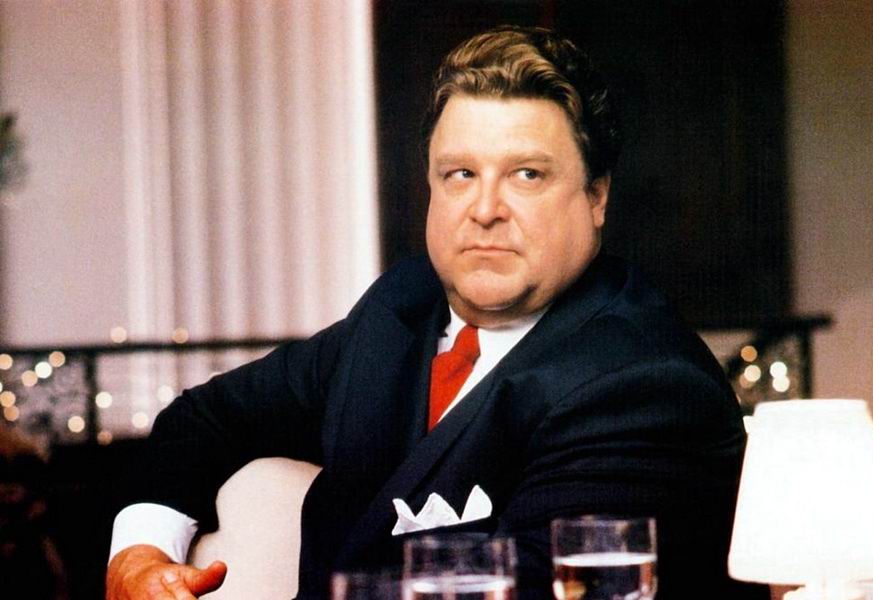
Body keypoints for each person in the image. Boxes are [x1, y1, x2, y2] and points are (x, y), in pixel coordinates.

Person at [106, 26, 766, 600]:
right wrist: (139, 552)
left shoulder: (643, 385)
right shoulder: (401, 310)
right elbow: (206, 418)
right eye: (460, 175)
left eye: (527, 175)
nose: (485, 210)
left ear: (596, 198)